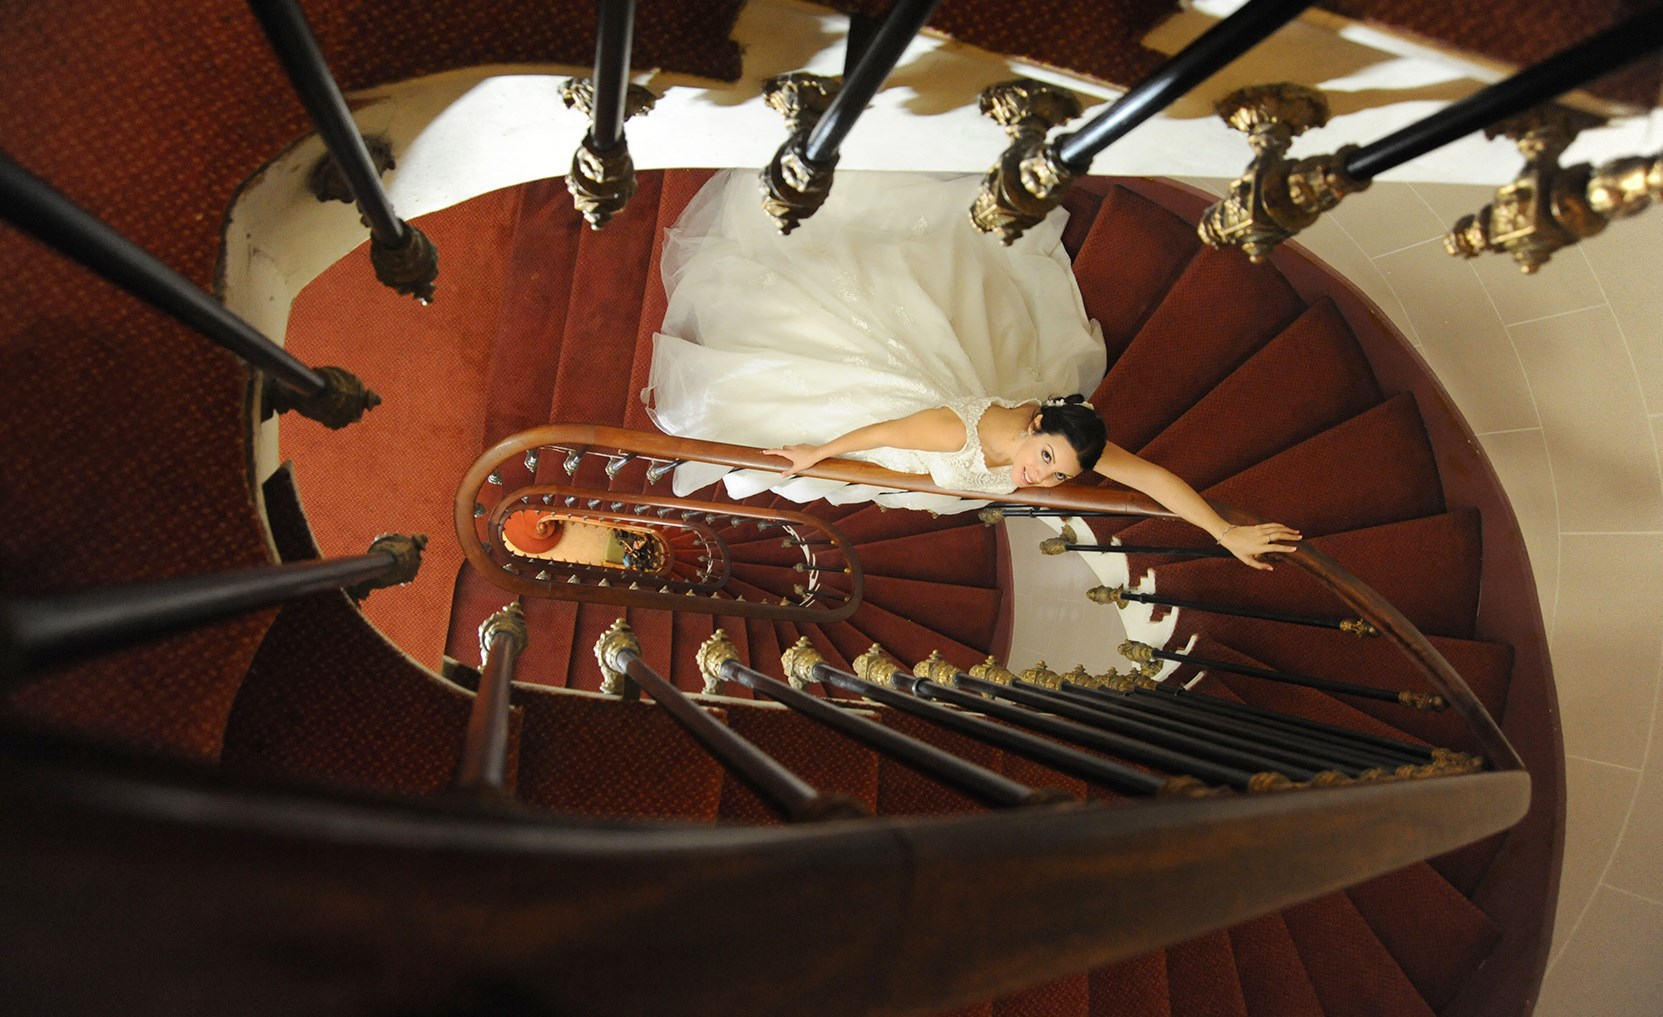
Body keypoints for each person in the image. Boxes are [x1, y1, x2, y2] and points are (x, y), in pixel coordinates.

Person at [644, 169, 1299, 569]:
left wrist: (1221, 529)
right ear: (1038, 422)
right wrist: (816, 453)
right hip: (918, 424)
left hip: (970, 421)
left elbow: (1150, 475)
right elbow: (878, 434)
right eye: (1044, 457)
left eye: (1054, 473)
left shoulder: (1068, 442)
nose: (1037, 477)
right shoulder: (945, 431)